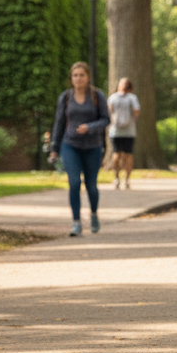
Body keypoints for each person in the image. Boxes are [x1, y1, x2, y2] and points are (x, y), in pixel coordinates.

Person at [49, 62, 110, 237]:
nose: (78, 78)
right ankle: (76, 222)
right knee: (74, 183)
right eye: (75, 75)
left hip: (92, 146)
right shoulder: (66, 97)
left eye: (82, 75)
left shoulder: (97, 96)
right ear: (71, 78)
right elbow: (59, 122)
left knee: (91, 185)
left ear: (88, 77)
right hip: (70, 145)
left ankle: (93, 215)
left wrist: (90, 127)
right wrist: (55, 147)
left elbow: (106, 119)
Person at [107, 77, 140, 189]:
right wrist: (131, 121)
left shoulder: (112, 98)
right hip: (129, 131)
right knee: (128, 154)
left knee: (116, 153)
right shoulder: (132, 98)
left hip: (115, 130)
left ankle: (117, 176)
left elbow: (109, 111)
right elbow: (136, 112)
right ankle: (127, 179)